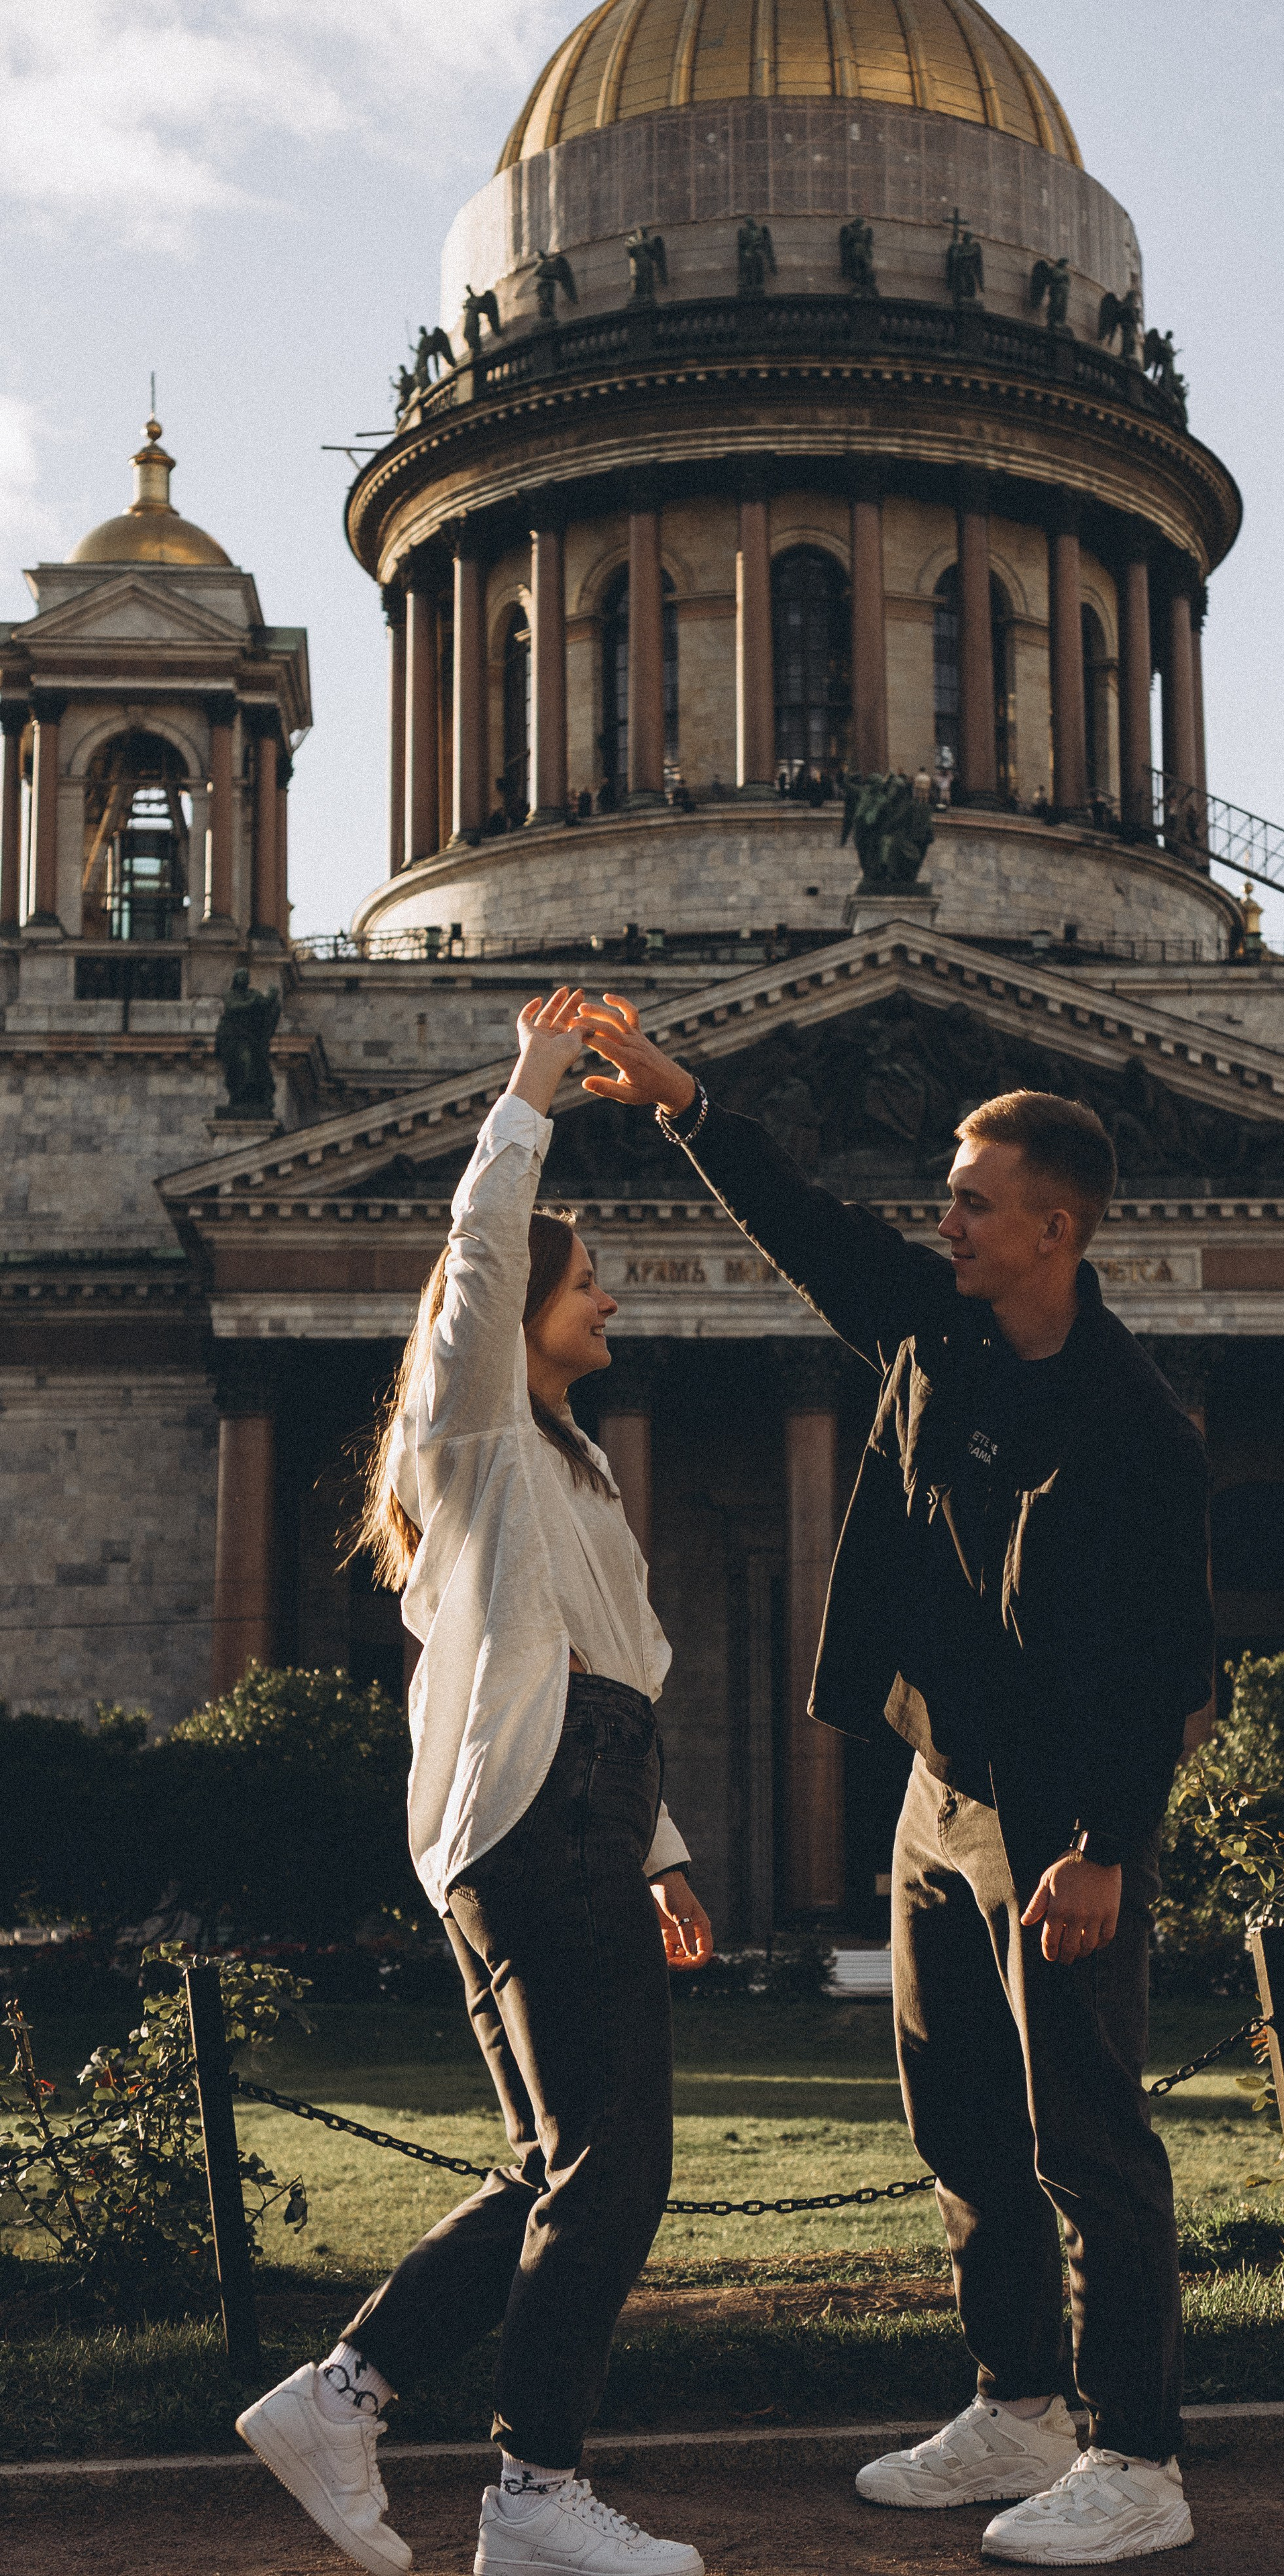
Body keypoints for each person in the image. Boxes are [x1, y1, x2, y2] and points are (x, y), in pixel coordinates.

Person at [571, 994, 1214, 2566]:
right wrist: (682, 1102)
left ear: (1051, 1230)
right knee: (962, 2124)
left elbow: (1164, 1660)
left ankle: (1137, 2458)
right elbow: (808, 1230)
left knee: (1089, 2143)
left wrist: (1104, 1846)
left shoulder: (1134, 1425)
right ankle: (1017, 2408)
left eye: (970, 1201)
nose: (943, 1221)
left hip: (1058, 1820)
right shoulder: (934, 1327)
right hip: (944, 1792)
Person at [237, 987, 713, 2576]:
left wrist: (658, 1852)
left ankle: (345, 2398)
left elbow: (622, 1665)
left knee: (557, 2162)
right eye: (593, 1286)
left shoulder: (569, 1463)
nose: (614, 1306)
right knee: (616, 2160)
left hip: (575, 1807)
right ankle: (530, 2491)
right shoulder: (480, 1429)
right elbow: (483, 1254)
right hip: (533, 1804)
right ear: (516, 1310)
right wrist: (528, 1094)